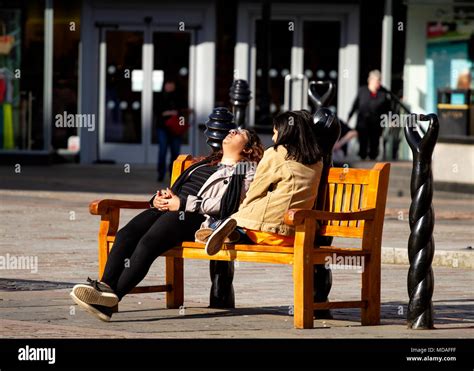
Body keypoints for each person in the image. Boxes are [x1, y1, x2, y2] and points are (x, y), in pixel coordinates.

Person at [70, 128, 264, 321]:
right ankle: (104, 290)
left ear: (247, 149)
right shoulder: (206, 162)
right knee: (125, 235)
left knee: (148, 242)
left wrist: (183, 203)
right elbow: (177, 188)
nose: (232, 130)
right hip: (171, 208)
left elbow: (229, 205)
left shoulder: (246, 170)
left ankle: (112, 298)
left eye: (239, 132)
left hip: (195, 216)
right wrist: (158, 199)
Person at [202, 110, 323, 256]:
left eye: (275, 132)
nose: (273, 138)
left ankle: (227, 229)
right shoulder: (318, 161)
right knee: (230, 223)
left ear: (286, 132)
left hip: (266, 230)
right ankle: (234, 233)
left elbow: (256, 190)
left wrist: (242, 215)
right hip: (297, 234)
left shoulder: (276, 153)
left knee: (225, 220)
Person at [347, 70, 391, 160]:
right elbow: (355, 105)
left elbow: (388, 109)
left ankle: (373, 162)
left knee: (374, 145)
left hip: (376, 123)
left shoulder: (383, 93)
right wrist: (349, 117)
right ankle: (362, 160)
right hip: (363, 122)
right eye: (377, 80)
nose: (378, 82)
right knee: (363, 144)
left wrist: (392, 120)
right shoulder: (362, 91)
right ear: (370, 80)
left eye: (380, 80)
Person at [155, 79, 188, 182]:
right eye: (167, 84)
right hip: (163, 127)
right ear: (164, 85)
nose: (169, 86)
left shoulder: (179, 96)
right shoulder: (159, 96)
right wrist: (169, 113)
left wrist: (175, 112)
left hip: (175, 129)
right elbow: (157, 111)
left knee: (175, 153)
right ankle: (161, 173)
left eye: (171, 84)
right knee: (163, 151)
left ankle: (173, 174)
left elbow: (182, 110)